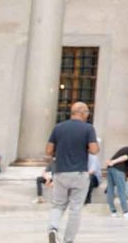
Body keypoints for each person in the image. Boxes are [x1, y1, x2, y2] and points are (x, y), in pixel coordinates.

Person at [45, 101, 101, 243]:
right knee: (75, 209)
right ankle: (68, 240)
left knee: (58, 204)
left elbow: (48, 151)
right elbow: (94, 150)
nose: (88, 115)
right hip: (79, 173)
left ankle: (53, 228)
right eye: (87, 112)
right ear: (82, 112)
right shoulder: (88, 129)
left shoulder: (58, 128)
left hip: (61, 172)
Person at [104, 143, 128, 219]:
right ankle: (126, 212)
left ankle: (113, 212)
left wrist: (111, 162)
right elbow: (125, 157)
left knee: (110, 189)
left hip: (110, 168)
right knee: (121, 190)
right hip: (118, 169)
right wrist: (113, 162)